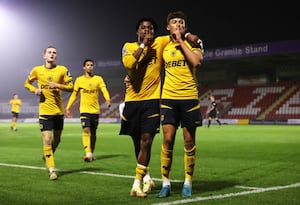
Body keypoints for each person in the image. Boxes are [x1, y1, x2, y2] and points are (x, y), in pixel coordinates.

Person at [120, 17, 202, 198]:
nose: (147, 31)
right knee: (138, 141)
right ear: (137, 31)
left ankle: (142, 182)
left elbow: (186, 40)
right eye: (143, 28)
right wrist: (143, 47)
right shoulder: (129, 46)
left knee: (147, 140)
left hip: (155, 100)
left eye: (150, 28)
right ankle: (148, 178)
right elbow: (128, 64)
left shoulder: (162, 42)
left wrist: (187, 35)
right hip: (133, 100)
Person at [158, 11, 204, 198]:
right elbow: (155, 68)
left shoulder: (195, 44)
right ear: (168, 27)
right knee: (167, 140)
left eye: (181, 22)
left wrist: (181, 41)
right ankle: (166, 182)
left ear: (185, 27)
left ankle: (187, 182)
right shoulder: (164, 46)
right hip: (169, 98)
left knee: (188, 141)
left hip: (189, 98)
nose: (178, 24)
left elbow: (195, 61)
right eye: (174, 22)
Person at [24, 46, 73, 180]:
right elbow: (27, 83)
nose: (52, 54)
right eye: (49, 52)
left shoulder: (62, 70)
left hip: (58, 111)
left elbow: (71, 88)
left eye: (54, 53)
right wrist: (35, 90)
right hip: (45, 112)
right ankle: (52, 169)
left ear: (56, 56)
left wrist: (58, 85)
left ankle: (47, 155)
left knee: (57, 140)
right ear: (44, 56)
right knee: (47, 139)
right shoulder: (37, 70)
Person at [65, 59, 111, 162]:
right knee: (86, 130)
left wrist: (107, 99)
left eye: (91, 65)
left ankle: (91, 153)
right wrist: (68, 107)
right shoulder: (79, 80)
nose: (90, 67)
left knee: (94, 133)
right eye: (88, 65)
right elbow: (74, 95)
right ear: (84, 67)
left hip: (95, 111)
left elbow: (104, 89)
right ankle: (88, 153)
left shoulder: (98, 79)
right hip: (84, 110)